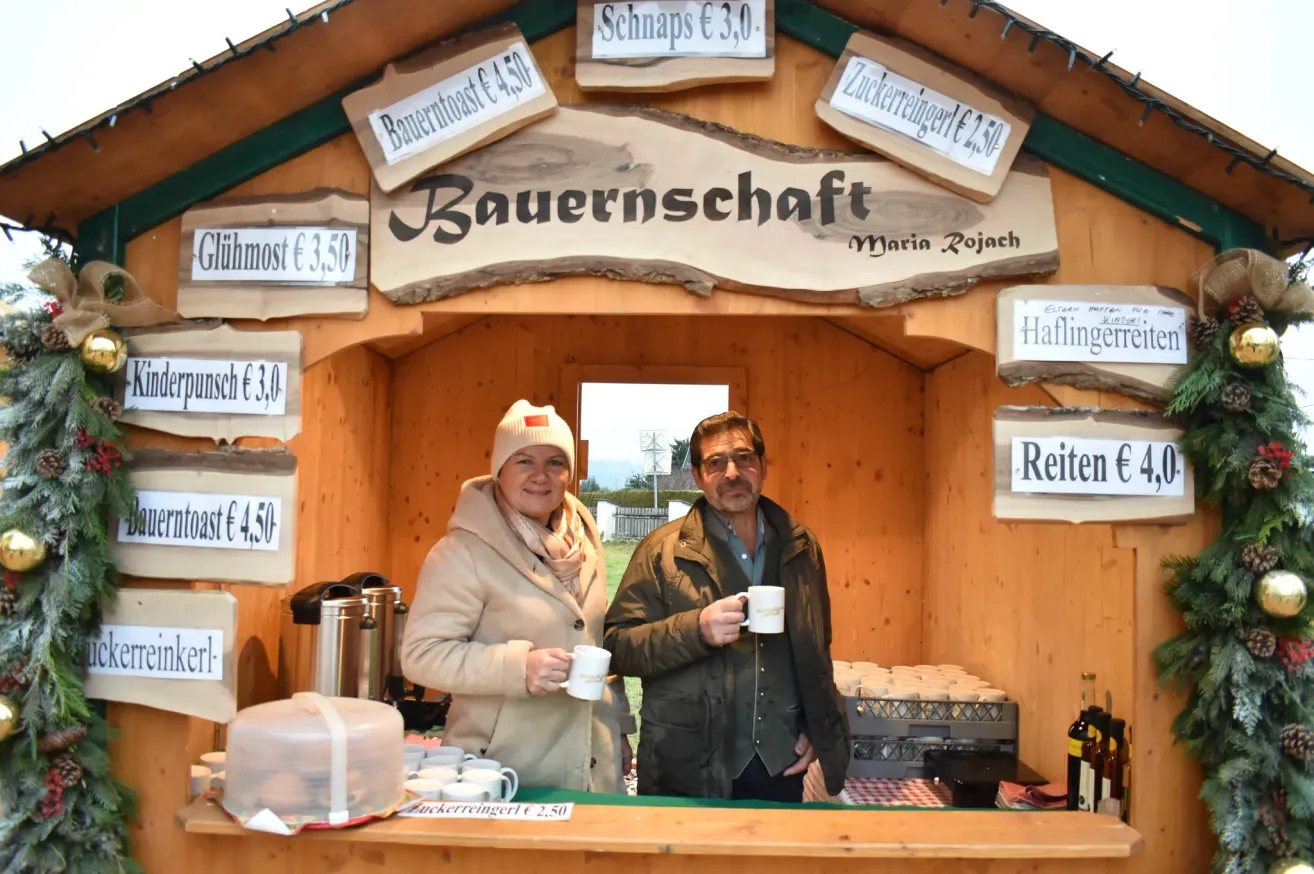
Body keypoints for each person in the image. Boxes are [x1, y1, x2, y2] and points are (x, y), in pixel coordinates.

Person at [604, 412, 849, 801]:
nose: (732, 472)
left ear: (763, 466)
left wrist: (812, 725)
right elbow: (617, 647)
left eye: (744, 458)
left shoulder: (802, 547)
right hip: (686, 764)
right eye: (716, 463)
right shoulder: (661, 552)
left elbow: (817, 649)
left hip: (779, 761)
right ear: (699, 477)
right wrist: (695, 629)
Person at [401, 400, 633, 793]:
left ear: (570, 473)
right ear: (500, 470)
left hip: (594, 765)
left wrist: (621, 728)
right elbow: (421, 655)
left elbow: (598, 640)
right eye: (524, 461)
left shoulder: (586, 541)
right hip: (502, 773)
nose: (541, 476)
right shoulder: (462, 551)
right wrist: (517, 667)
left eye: (555, 462)